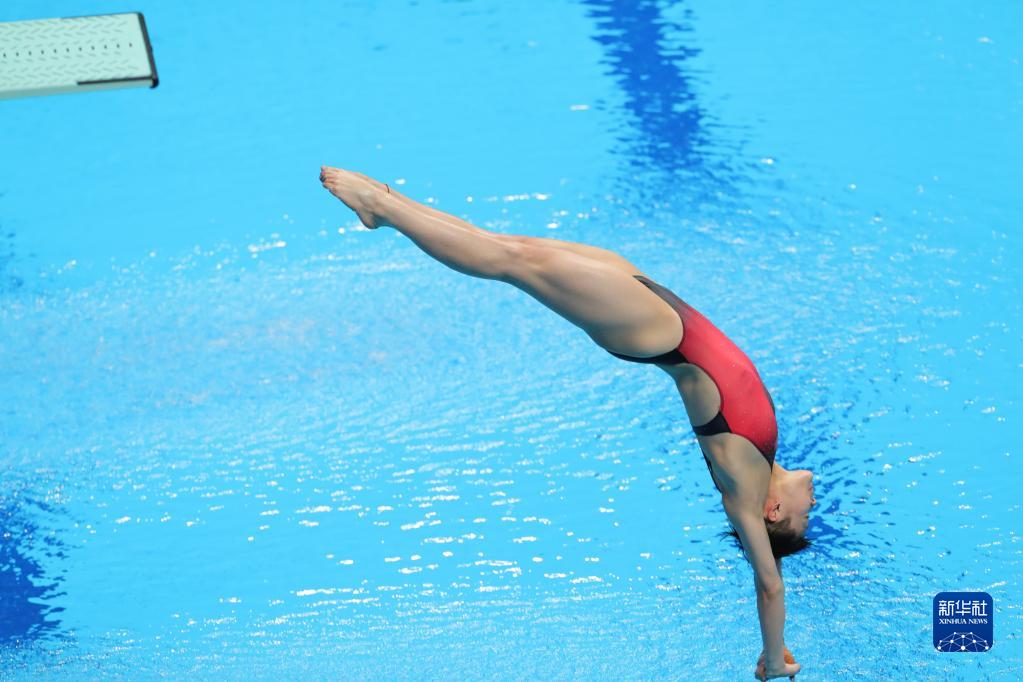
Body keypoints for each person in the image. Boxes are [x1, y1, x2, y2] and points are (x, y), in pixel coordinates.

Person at [319, 166, 815, 680]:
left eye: (806, 515)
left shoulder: (744, 489)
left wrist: (774, 657)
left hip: (653, 329)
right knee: (509, 248)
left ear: (774, 511)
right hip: (658, 304)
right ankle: (389, 202)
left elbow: (769, 584)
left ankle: (385, 210)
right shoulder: (763, 461)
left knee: (509, 262)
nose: (815, 502)